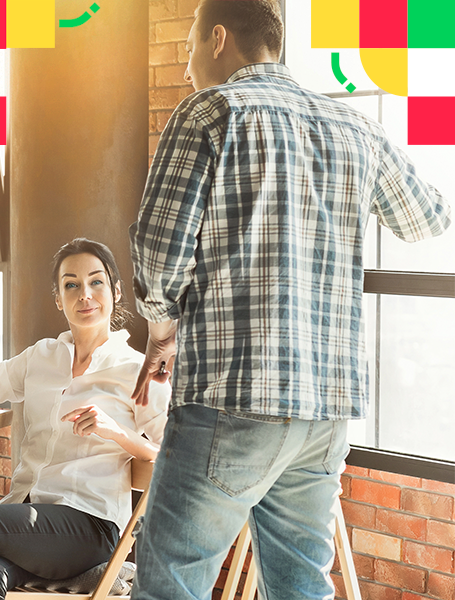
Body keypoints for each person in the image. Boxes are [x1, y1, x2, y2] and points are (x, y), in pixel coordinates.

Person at [128, 2, 451, 599]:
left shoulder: (210, 111)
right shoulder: (356, 126)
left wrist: (161, 327)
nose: (187, 68)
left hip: (232, 396)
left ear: (219, 38)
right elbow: (429, 217)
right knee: (301, 584)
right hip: (326, 410)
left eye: (193, 47)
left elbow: (157, 255)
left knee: (171, 583)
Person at [0, 239, 169, 600]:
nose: (85, 294)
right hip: (30, 517)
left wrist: (117, 432)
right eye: (71, 284)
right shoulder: (42, 356)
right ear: (59, 299)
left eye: (96, 282)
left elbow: (172, 455)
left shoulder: (138, 370)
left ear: (116, 291)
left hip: (89, 526)